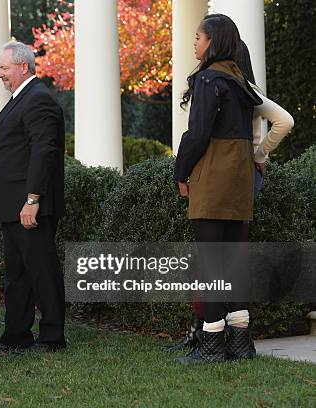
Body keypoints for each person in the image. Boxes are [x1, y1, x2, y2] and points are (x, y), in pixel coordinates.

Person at [173, 14, 263, 364]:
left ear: (214, 41)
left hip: (213, 180)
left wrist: (180, 171)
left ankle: (211, 344)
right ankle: (241, 343)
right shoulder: (240, 80)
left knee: (211, 264)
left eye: (198, 37)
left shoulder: (209, 79)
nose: (194, 42)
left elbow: (197, 135)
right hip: (239, 181)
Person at [0, 41, 66, 353]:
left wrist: (32, 200)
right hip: (13, 207)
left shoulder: (38, 99)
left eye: (4, 68)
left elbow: (43, 151)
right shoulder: (22, 98)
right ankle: (16, 336)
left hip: (30, 206)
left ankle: (52, 338)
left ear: (23, 66)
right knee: (16, 274)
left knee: (42, 271)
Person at [234, 40, 294, 199]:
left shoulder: (247, 91)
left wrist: (260, 154)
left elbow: (285, 121)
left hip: (245, 170)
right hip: (244, 169)